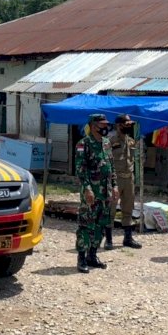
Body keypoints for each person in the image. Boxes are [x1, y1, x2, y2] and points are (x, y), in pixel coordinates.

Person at [74, 113, 119, 273]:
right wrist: (87, 189)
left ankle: (92, 255)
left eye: (106, 124)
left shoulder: (106, 143)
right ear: (93, 126)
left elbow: (111, 167)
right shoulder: (83, 144)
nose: (106, 127)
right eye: (102, 125)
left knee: (101, 223)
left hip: (105, 192)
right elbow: (80, 169)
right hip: (91, 192)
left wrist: (114, 186)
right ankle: (81, 258)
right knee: (86, 224)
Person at [104, 114, 142, 250]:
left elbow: (133, 159)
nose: (128, 127)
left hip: (129, 178)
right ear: (119, 125)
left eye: (129, 124)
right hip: (116, 178)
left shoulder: (131, 141)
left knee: (128, 208)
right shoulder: (110, 140)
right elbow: (106, 161)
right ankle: (108, 239)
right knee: (111, 209)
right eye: (126, 124)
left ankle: (128, 238)